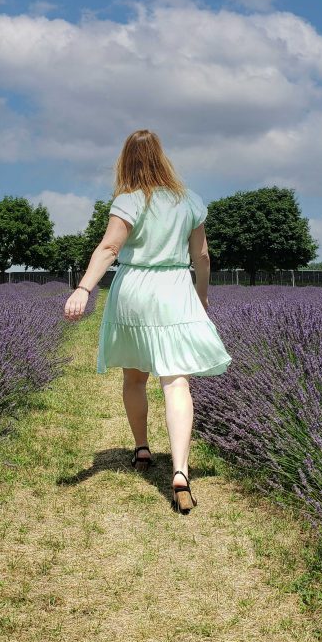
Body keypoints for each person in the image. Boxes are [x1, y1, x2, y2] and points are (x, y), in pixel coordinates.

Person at [63, 129, 231, 515]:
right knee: (176, 380)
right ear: (163, 157)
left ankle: (141, 449)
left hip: (134, 289)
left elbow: (109, 248)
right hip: (175, 290)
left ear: (125, 161)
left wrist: (84, 289)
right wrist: (201, 296)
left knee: (135, 378)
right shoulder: (190, 201)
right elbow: (202, 256)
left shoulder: (128, 200)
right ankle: (180, 471)